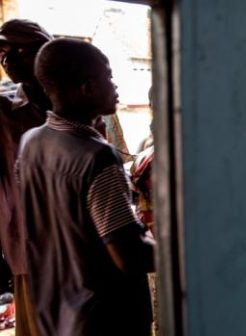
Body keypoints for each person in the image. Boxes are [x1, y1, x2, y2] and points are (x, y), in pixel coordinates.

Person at [17, 39, 155, 336]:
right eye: (108, 76)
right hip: (103, 318)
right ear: (87, 88)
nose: (115, 86)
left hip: (55, 309)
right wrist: (185, 249)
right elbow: (129, 255)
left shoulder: (31, 142)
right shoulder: (97, 158)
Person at [0, 18, 53, 336]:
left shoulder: (88, 96)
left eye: (20, 49)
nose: (9, 60)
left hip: (87, 240)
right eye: (3, 54)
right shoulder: (4, 110)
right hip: (32, 242)